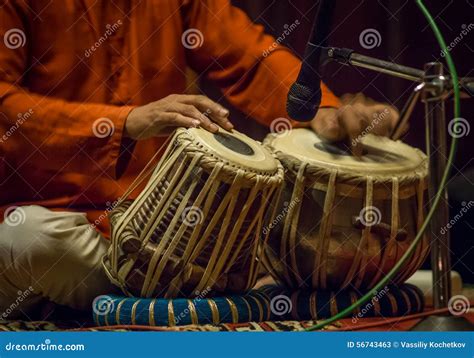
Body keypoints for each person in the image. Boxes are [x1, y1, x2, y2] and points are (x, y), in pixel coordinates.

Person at [0, 0, 398, 317]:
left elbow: (248, 58)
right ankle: (198, 297)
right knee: (31, 238)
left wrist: (320, 109)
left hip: (148, 231)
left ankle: (150, 298)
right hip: (55, 222)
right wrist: (124, 122)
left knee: (274, 191)